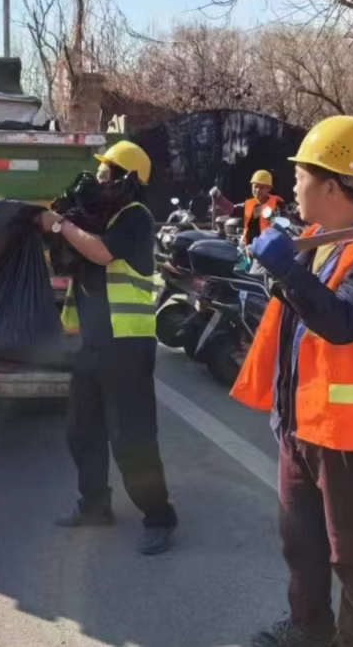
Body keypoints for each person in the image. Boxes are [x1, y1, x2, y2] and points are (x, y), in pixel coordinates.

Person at [233, 115, 353, 647]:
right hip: (299, 423)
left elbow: (344, 322)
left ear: (331, 185)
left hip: (347, 436)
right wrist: (281, 277)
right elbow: (303, 316)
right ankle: (309, 628)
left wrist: (288, 273)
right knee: (299, 540)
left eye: (301, 174)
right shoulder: (317, 238)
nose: (293, 184)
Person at [37, 140, 179, 556]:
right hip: (92, 343)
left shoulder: (134, 218)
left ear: (126, 178)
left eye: (105, 174)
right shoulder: (100, 218)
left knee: (132, 437)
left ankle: (159, 517)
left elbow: (100, 254)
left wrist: (60, 226)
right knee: (83, 430)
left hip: (126, 344)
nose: (98, 180)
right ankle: (94, 505)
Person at [212, 169, 286, 247]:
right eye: (255, 186)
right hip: (249, 249)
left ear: (269, 188)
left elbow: (285, 228)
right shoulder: (249, 204)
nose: (257, 190)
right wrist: (219, 197)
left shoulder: (277, 205)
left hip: (269, 250)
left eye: (261, 188)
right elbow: (232, 210)